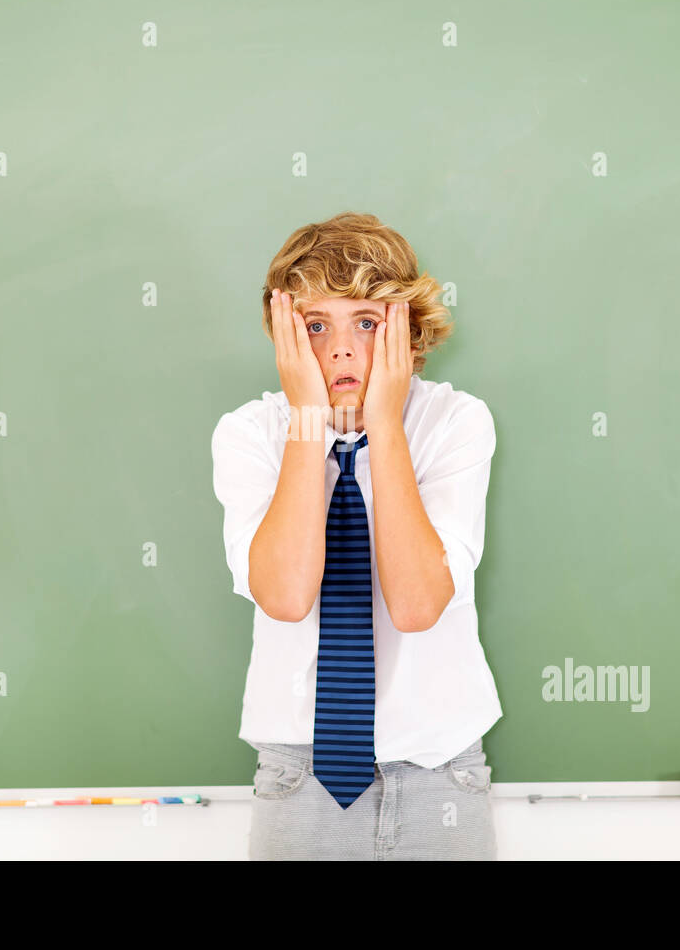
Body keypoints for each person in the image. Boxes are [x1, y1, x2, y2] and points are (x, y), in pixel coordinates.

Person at [211, 211, 501, 859]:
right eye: (316, 326)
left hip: (440, 767)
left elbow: (418, 603)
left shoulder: (456, 422)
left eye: (366, 323)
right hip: (299, 773)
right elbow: (285, 595)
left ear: (409, 330)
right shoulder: (249, 434)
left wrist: (385, 425)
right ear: (286, 337)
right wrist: (310, 421)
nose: (340, 349)